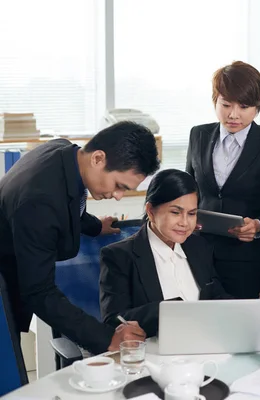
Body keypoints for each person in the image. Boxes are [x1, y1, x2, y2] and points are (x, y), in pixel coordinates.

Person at [0, 121, 160, 354]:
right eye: (118, 185)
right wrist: (107, 338)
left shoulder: (62, 150)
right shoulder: (40, 202)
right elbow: (39, 292)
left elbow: (69, 200)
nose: (118, 196)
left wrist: (95, 226)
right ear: (97, 158)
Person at [186, 61, 260, 299]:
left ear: (257, 107)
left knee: (241, 324)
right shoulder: (198, 135)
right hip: (196, 250)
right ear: (215, 100)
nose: (233, 114)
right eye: (225, 104)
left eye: (244, 106)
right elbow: (189, 189)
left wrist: (259, 226)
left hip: (244, 257)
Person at [99, 169, 232, 337]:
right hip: (154, 349)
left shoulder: (199, 246)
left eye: (191, 214)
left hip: (205, 343)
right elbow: (113, 320)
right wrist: (170, 311)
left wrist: (241, 310)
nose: (184, 222)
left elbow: (216, 295)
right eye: (175, 212)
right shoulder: (119, 256)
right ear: (151, 211)